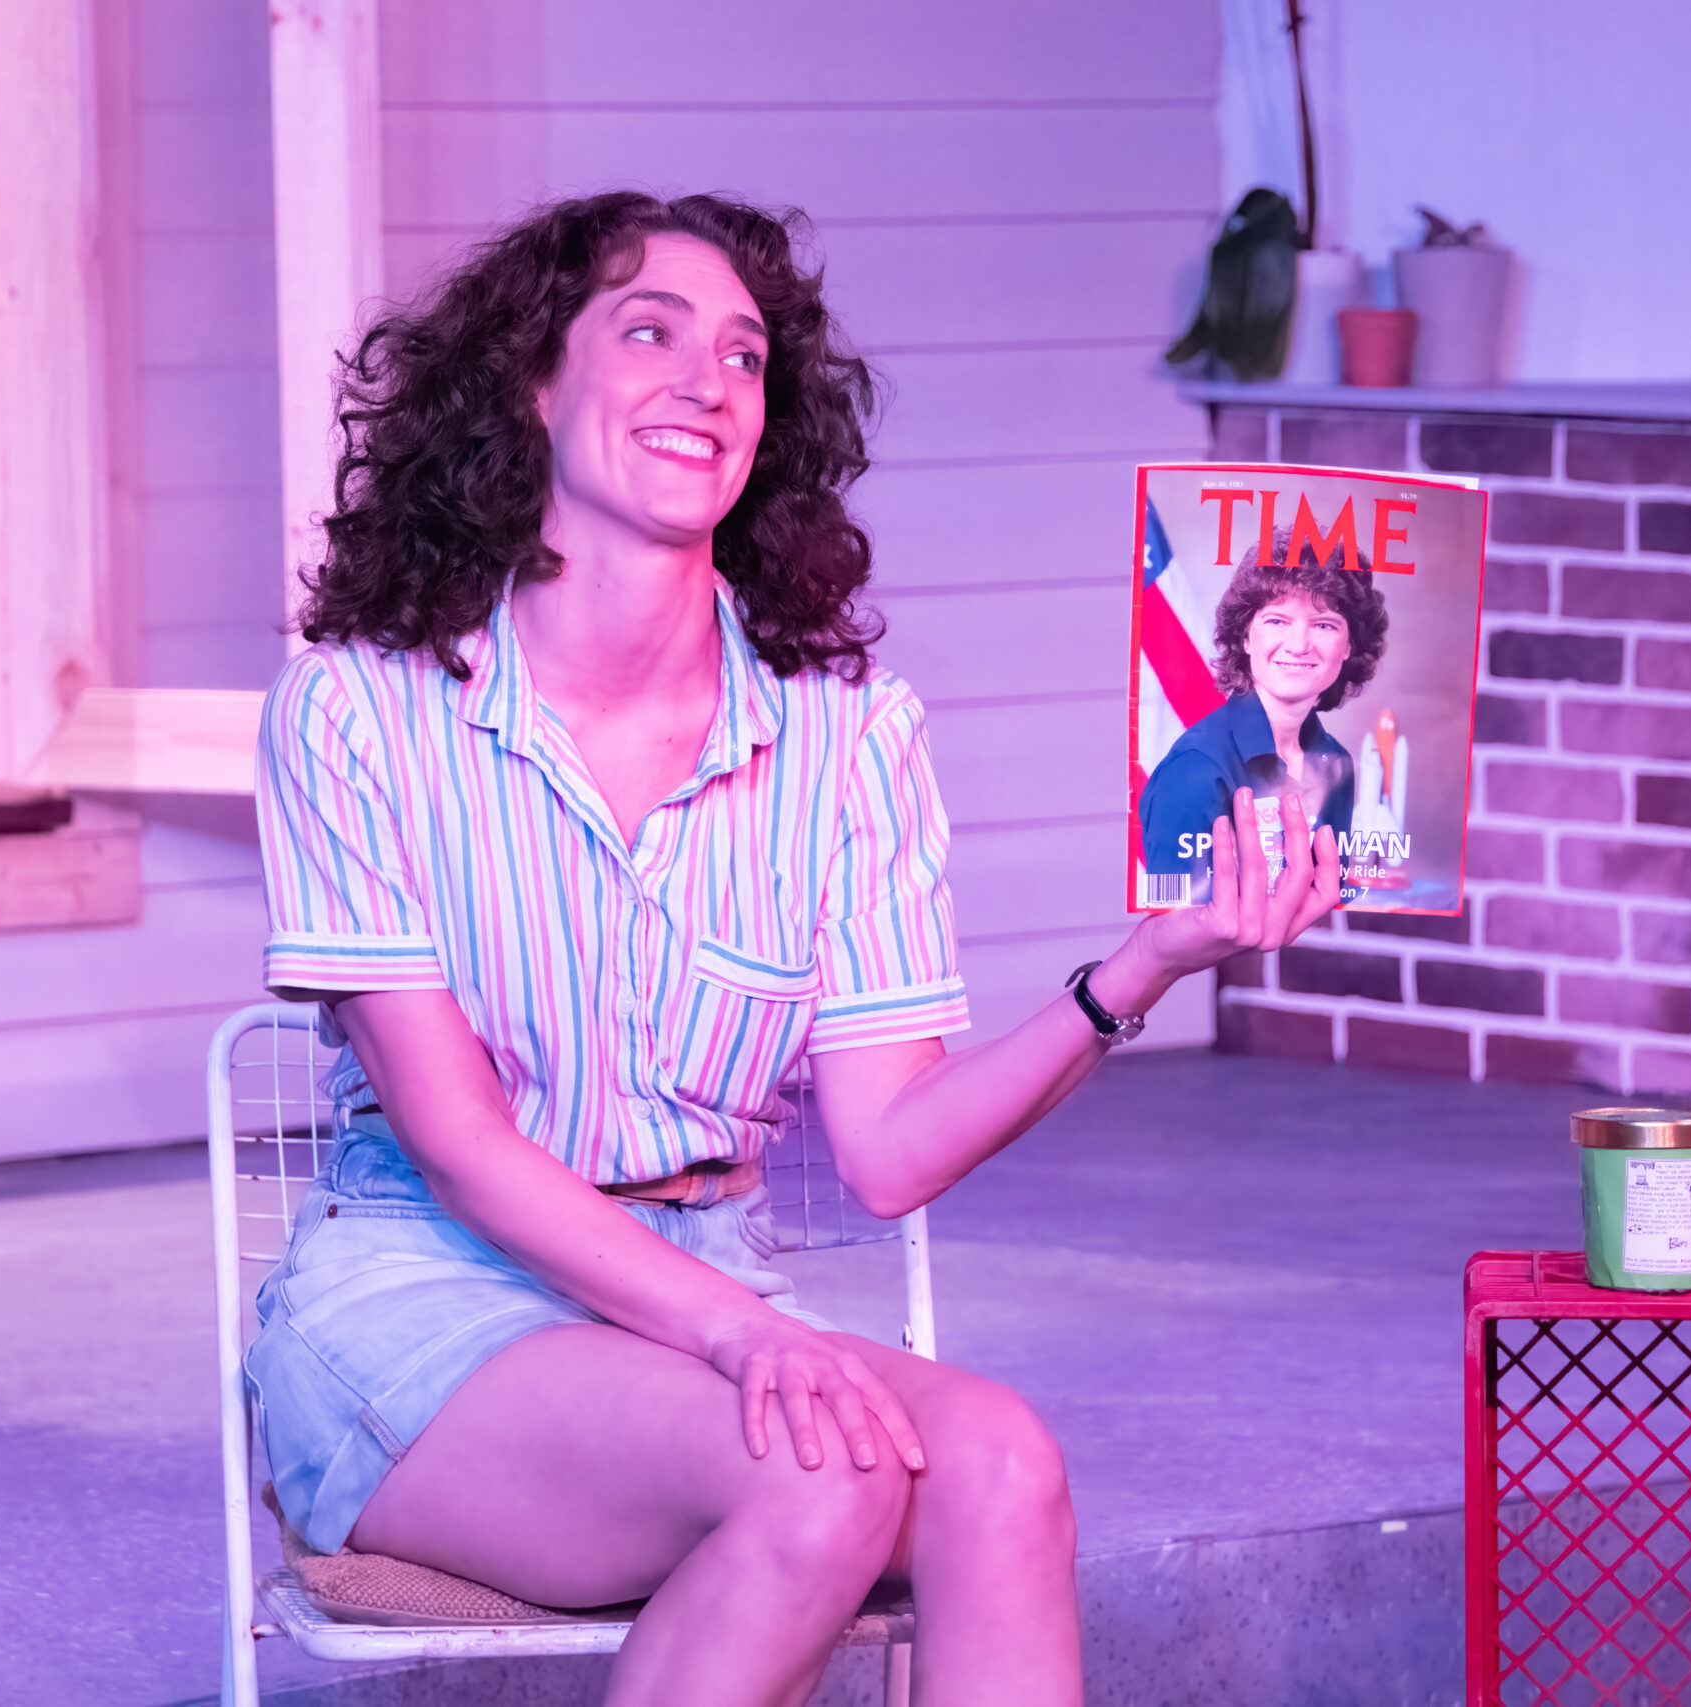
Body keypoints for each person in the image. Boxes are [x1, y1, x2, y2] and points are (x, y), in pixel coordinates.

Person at [247, 191, 1341, 1707]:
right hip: (431, 1293)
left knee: (1003, 1465)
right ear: (531, 382)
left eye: (745, 357)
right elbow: (463, 1144)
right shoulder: (359, 709)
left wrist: (1142, 968)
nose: (708, 381)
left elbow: (886, 1151)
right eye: (649, 333)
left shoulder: (846, 734)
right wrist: (738, 1338)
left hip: (710, 1272)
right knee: (823, 1478)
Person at [1137, 534, 1389, 899]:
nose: (1299, 645)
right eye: (1277, 621)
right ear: (1245, 637)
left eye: (1323, 625)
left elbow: (1327, 893)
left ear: (1349, 645)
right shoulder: (1195, 769)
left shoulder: (1336, 763)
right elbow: (1172, 914)